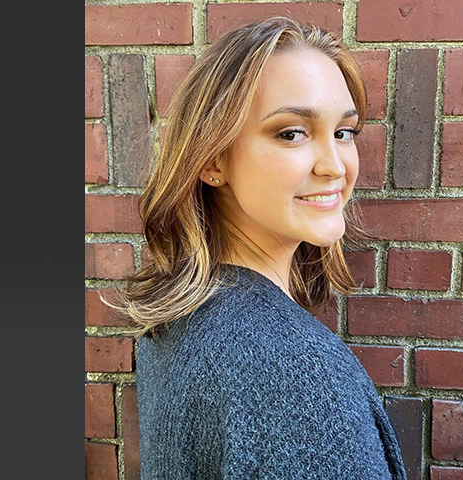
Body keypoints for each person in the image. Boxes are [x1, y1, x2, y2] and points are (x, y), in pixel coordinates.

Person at [103, 16, 406, 479]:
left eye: (344, 132)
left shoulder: (175, 320)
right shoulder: (298, 375)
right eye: (292, 132)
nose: (335, 166)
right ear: (211, 159)